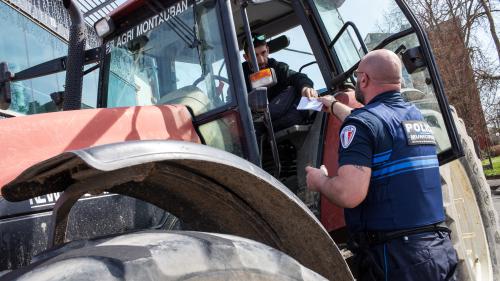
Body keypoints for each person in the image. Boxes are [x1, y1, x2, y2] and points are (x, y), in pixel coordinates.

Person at [305, 49, 458, 281]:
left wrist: (319, 180)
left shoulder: (363, 125)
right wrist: (334, 105)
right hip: (440, 250)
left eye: (357, 76)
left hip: (396, 259)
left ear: (364, 79)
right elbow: (374, 126)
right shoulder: (416, 117)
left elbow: (349, 194)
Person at [242, 33, 318, 131]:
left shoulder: (277, 67)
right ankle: (267, 124)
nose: (260, 60)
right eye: (254, 55)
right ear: (246, 57)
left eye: (263, 53)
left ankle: (270, 125)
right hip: (253, 121)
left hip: (278, 113)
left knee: (305, 96)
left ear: (268, 50)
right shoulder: (239, 78)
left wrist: (306, 87)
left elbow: (296, 77)